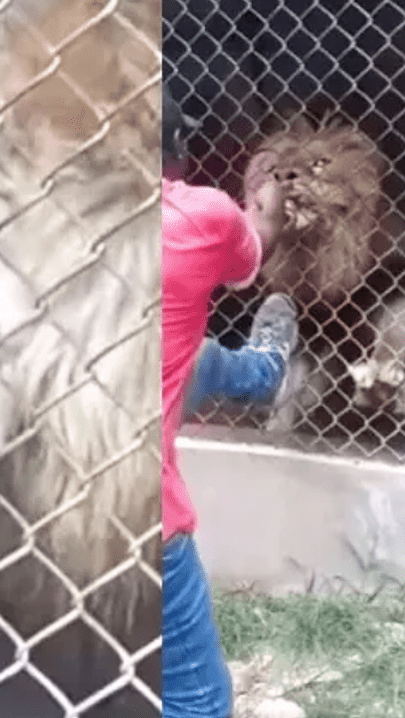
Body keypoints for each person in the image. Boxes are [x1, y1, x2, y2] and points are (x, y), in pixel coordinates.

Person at [161, 82, 299, 718]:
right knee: (196, 699)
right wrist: (259, 207)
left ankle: (258, 371)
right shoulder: (203, 215)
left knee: (185, 347)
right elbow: (249, 260)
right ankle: (266, 368)